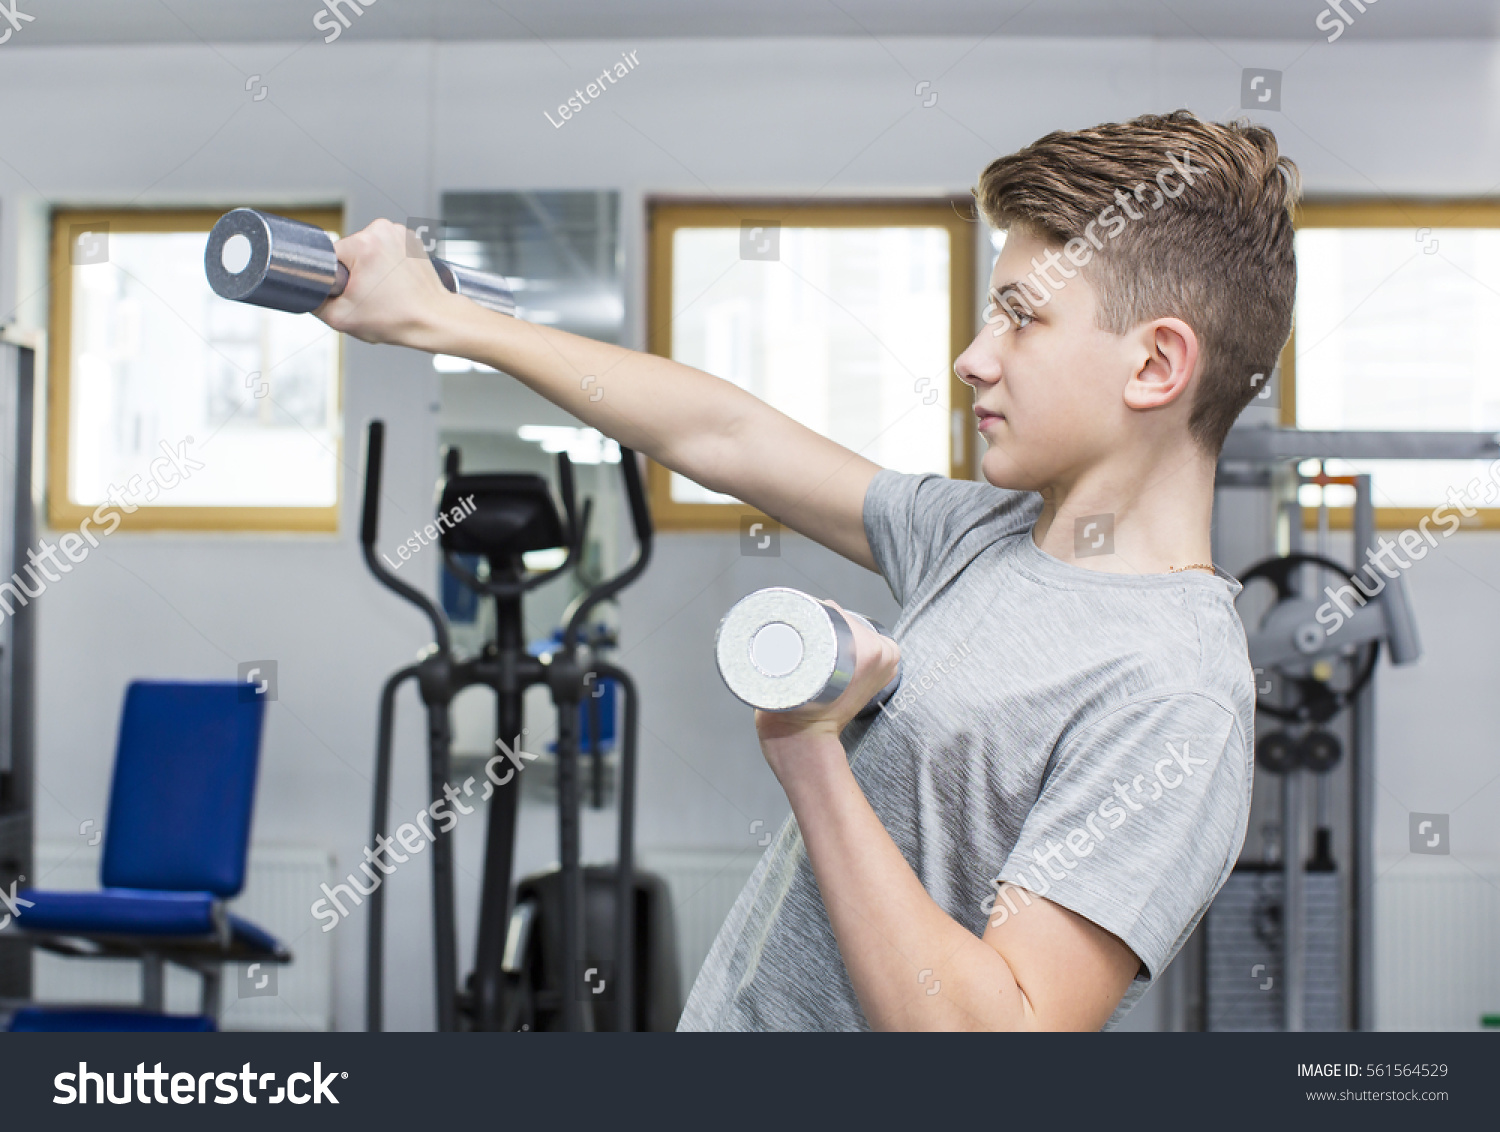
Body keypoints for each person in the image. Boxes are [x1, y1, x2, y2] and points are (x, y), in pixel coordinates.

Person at [316, 108, 1297, 1031]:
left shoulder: (1173, 691)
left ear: (1157, 366)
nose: (971, 357)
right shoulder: (980, 535)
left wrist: (810, 752)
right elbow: (725, 432)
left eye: (1020, 318)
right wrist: (447, 322)